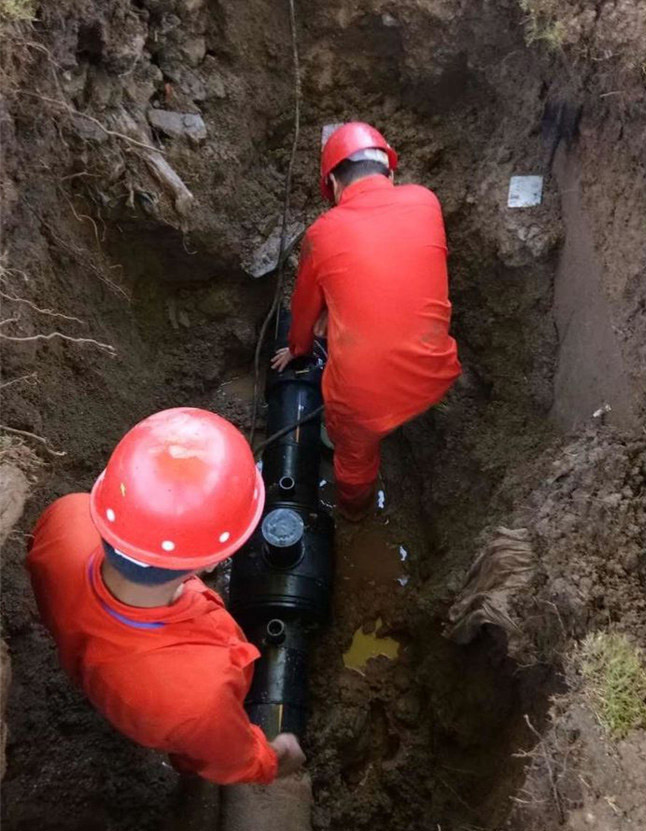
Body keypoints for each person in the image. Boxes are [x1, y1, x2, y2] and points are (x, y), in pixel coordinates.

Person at [27, 407, 305, 784]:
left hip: (104, 680)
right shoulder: (198, 699)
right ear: (214, 561)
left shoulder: (66, 518)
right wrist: (270, 759)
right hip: (167, 714)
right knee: (193, 751)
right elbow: (228, 758)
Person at [272, 122, 462, 519]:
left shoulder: (323, 232)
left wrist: (298, 349)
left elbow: (304, 312)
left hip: (364, 404)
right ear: (390, 173)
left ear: (335, 186)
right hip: (435, 372)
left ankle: (354, 511)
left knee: (353, 454)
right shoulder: (426, 200)